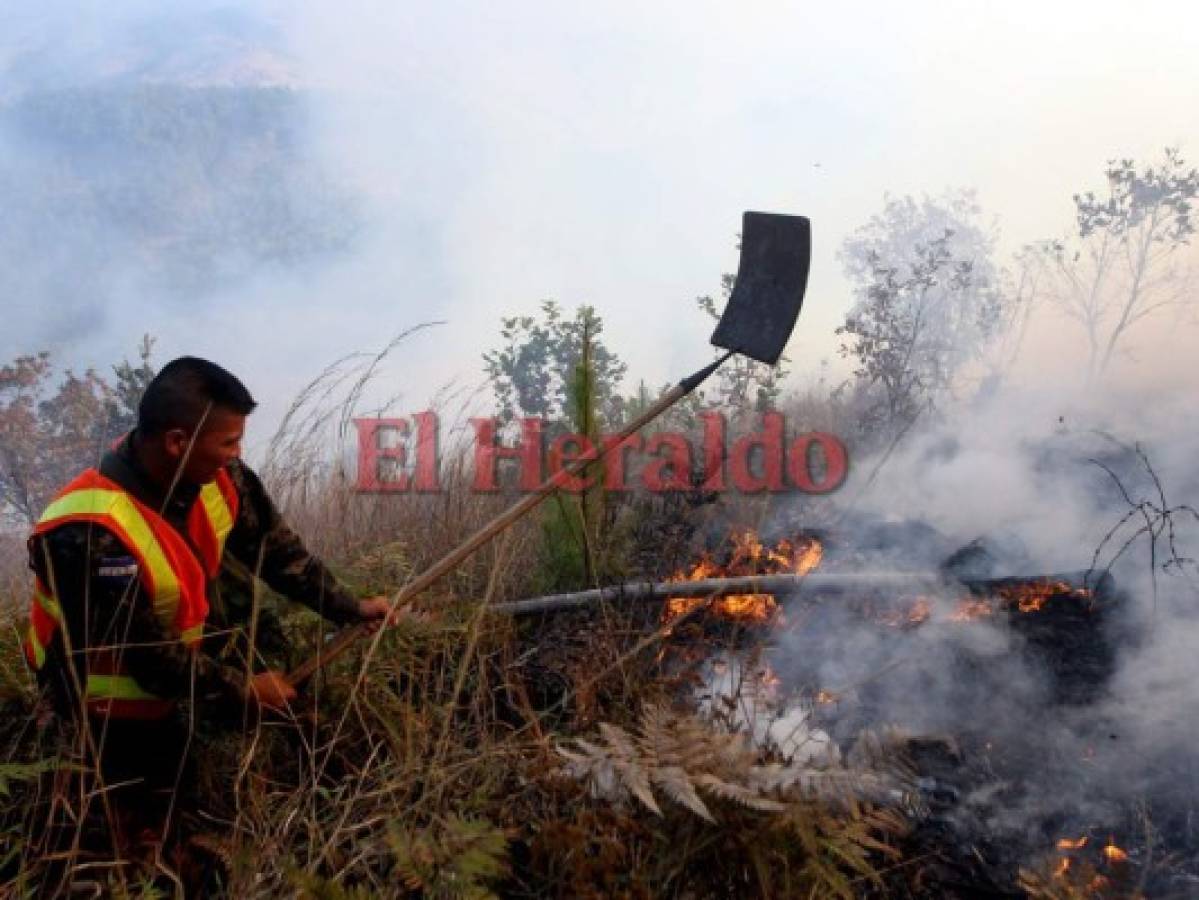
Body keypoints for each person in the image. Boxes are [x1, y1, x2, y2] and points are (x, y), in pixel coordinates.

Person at [22, 356, 397, 860]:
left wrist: (350, 608)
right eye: (229, 442)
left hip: (179, 678)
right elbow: (147, 657)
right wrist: (244, 691)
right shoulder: (87, 531)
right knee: (132, 849)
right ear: (178, 442)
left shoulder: (225, 478)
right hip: (100, 713)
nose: (237, 453)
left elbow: (279, 554)